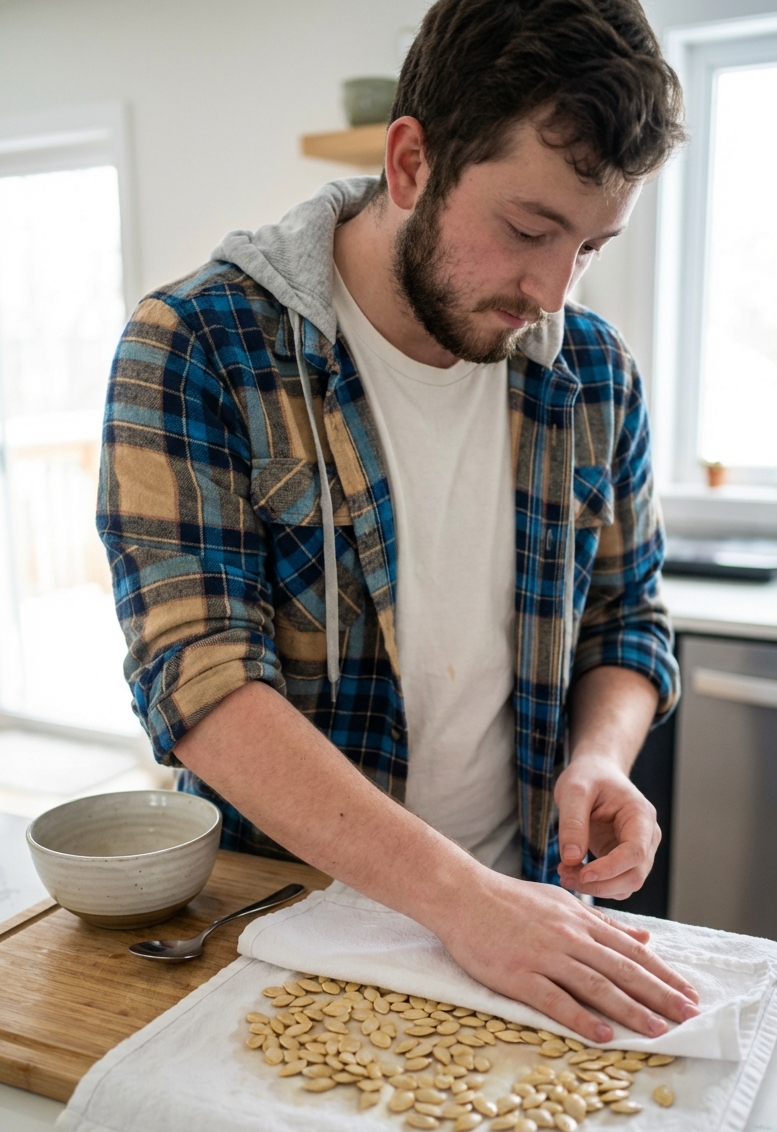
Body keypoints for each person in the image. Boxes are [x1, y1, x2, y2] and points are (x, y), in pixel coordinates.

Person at [98, 0, 701, 1044]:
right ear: (412, 161)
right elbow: (198, 677)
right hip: (283, 921)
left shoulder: (595, 374)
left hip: (522, 923)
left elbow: (625, 617)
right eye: (527, 228)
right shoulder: (197, 345)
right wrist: (460, 900)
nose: (552, 289)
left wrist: (602, 755)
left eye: (592, 246)